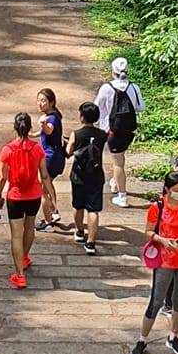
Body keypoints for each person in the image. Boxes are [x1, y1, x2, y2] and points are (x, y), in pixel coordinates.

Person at [132, 168, 178, 354]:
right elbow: (149, 231)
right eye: (176, 189)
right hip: (165, 261)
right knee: (156, 300)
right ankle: (142, 339)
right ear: (167, 189)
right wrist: (163, 241)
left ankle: (173, 336)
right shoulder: (157, 207)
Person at [0, 111, 49, 288]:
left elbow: (2, 177)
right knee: (30, 227)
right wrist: (50, 196)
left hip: (15, 196)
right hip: (34, 195)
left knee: (16, 235)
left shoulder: (8, 150)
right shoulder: (37, 149)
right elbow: (44, 175)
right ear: (29, 128)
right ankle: (24, 257)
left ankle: (19, 275)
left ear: (15, 128)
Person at [95, 56, 144, 207]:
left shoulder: (107, 88)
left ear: (113, 71)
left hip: (112, 131)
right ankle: (116, 182)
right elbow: (141, 107)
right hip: (129, 130)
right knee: (120, 157)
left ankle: (122, 196)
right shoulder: (134, 87)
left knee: (118, 163)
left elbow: (96, 107)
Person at [66, 99, 107, 254]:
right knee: (93, 210)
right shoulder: (102, 135)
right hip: (96, 175)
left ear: (82, 117)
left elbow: (68, 152)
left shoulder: (76, 134)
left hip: (78, 175)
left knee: (78, 206)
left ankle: (79, 231)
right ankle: (91, 242)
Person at [35, 86, 66, 230]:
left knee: (42, 190)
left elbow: (48, 130)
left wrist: (42, 124)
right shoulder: (54, 115)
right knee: (48, 186)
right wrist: (31, 134)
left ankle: (48, 222)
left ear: (51, 102)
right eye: (38, 100)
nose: (40, 103)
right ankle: (54, 211)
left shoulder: (51, 118)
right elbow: (43, 132)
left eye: (43, 101)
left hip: (49, 159)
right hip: (57, 158)